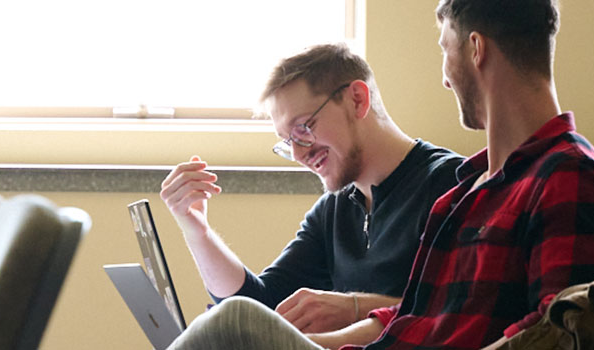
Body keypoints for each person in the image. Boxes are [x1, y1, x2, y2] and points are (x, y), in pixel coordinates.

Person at [167, 1, 594, 349]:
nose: (444, 78)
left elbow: (558, 335)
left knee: (231, 330)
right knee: (236, 329)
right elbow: (424, 315)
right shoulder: (476, 187)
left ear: (475, 49)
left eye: (444, 51)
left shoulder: (567, 175)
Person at [159, 42, 464, 336]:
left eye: (303, 127)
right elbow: (258, 307)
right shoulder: (334, 209)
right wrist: (197, 232)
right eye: (287, 141)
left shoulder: (453, 184)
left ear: (357, 99)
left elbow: (459, 312)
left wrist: (355, 308)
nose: (298, 154)